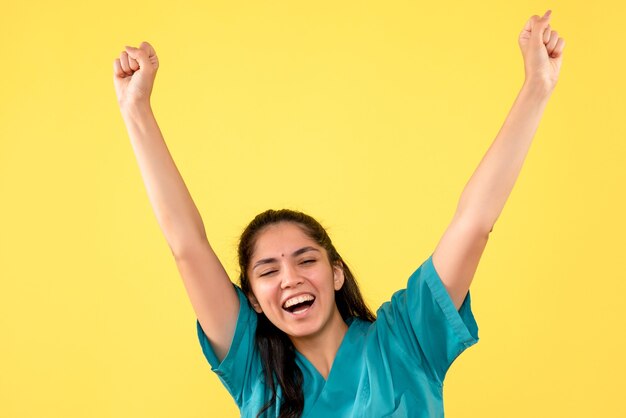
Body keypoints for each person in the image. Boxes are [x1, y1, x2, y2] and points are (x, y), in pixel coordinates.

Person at [113, 10, 565, 418]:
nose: (290, 277)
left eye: (306, 260)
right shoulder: (255, 372)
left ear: (336, 274)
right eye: (268, 270)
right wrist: (136, 110)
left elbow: (475, 222)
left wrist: (536, 88)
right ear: (251, 298)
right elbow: (187, 246)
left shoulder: (406, 340)